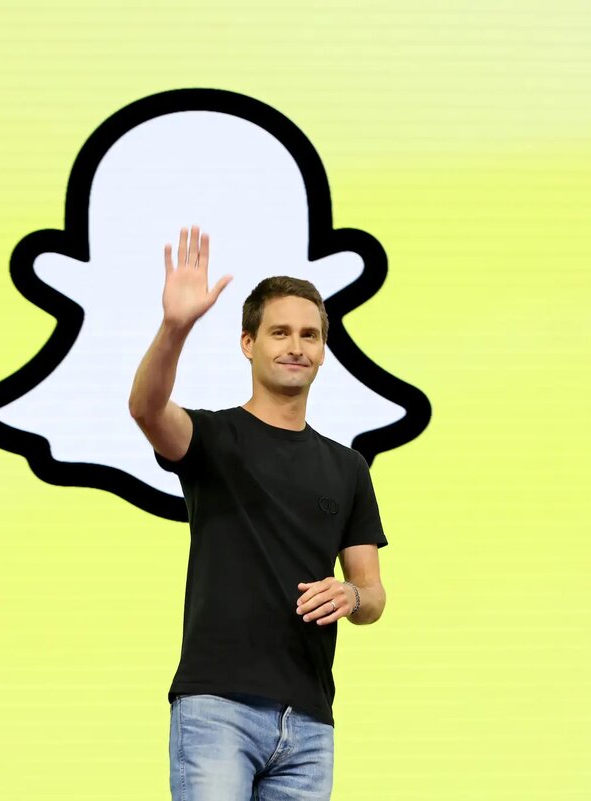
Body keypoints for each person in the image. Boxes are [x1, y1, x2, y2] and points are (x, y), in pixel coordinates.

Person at [128, 225, 388, 801]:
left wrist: (350, 595)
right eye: (279, 332)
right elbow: (145, 408)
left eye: (309, 335)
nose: (296, 346)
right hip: (217, 708)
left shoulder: (348, 468)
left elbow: (372, 594)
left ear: (323, 350)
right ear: (248, 343)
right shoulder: (213, 438)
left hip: (310, 723)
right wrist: (175, 328)